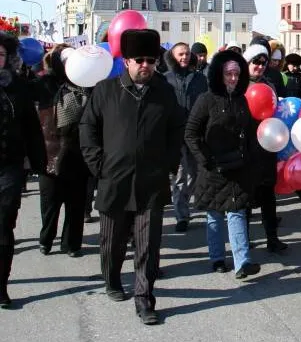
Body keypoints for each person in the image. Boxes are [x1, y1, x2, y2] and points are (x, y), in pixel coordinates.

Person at [80, 29, 185, 325]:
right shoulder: (105, 90)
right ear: (126, 61)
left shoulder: (163, 92)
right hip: (113, 179)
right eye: (139, 59)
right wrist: (98, 165)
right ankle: (112, 280)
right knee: (111, 241)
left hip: (151, 182)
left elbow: (178, 128)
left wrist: (169, 160)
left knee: (148, 245)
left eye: (151, 60)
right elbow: (87, 128)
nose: (145, 65)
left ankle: (144, 298)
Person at [184, 50, 262, 277]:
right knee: (215, 215)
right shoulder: (206, 100)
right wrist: (205, 160)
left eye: (237, 74)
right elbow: (191, 133)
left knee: (237, 212)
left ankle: (243, 261)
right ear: (219, 74)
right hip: (213, 168)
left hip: (237, 167)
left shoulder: (241, 100)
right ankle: (217, 258)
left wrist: (250, 158)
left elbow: (249, 132)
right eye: (229, 74)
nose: (233, 78)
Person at [0, 32, 46, 308]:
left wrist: (39, 162)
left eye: (2, 54)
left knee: (4, 225)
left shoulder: (17, 86)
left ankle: (1, 286)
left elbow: (31, 126)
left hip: (9, 165)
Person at [37, 45, 92, 257]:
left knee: (76, 202)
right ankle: (46, 239)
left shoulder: (88, 85)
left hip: (77, 152)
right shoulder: (45, 84)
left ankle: (72, 243)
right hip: (50, 151)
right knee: (50, 201)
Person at [241, 44, 286, 252]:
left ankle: (272, 238)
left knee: (268, 195)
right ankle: (243, 240)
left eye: (263, 63)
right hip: (246, 147)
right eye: (255, 62)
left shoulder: (269, 85)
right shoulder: (238, 85)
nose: (259, 66)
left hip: (267, 146)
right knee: (246, 197)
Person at [164, 42, 208, 232]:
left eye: (187, 54)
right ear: (173, 56)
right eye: (180, 54)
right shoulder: (165, 79)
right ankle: (182, 215)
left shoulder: (200, 79)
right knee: (180, 176)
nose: (185, 57)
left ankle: (186, 202)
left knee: (196, 174)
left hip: (195, 134)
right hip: (175, 135)